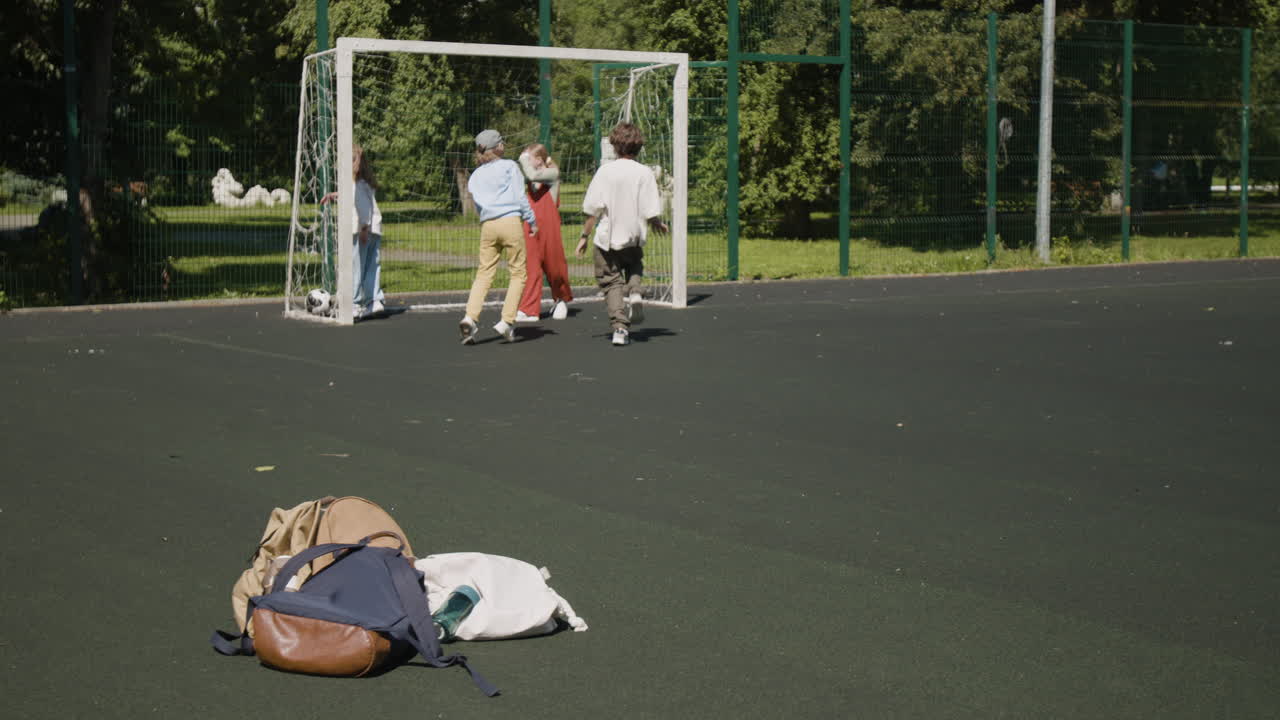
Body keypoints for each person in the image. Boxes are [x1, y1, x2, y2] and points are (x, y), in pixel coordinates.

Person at [577, 123, 668, 346]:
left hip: (608, 238)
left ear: (615, 146)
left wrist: (584, 236)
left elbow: (593, 210)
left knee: (611, 282)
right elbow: (650, 207)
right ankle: (635, 290)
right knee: (635, 265)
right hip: (633, 236)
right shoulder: (645, 172)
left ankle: (619, 329)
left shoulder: (605, 171)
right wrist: (656, 222)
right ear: (638, 146)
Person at [461, 129, 536, 344]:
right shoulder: (510, 166)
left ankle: (470, 317)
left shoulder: (475, 176)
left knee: (484, 273)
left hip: (488, 225)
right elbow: (520, 197)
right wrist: (531, 221)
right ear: (498, 147)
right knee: (518, 273)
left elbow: (477, 204)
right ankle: (507, 321)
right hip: (511, 222)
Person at [321, 144, 384, 320]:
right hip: (375, 230)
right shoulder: (364, 182)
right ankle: (374, 301)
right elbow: (354, 195)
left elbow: (362, 207)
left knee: (356, 267)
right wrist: (336, 194)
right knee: (372, 266)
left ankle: (354, 304)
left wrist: (363, 228)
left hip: (360, 231)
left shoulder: (356, 185)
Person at [515, 143, 573, 323]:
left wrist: (523, 159)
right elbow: (529, 177)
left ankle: (561, 299)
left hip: (550, 227)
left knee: (555, 265)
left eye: (528, 158)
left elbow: (533, 174)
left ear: (538, 160)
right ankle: (529, 308)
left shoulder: (552, 174)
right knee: (530, 266)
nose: (524, 161)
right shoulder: (529, 178)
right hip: (531, 226)